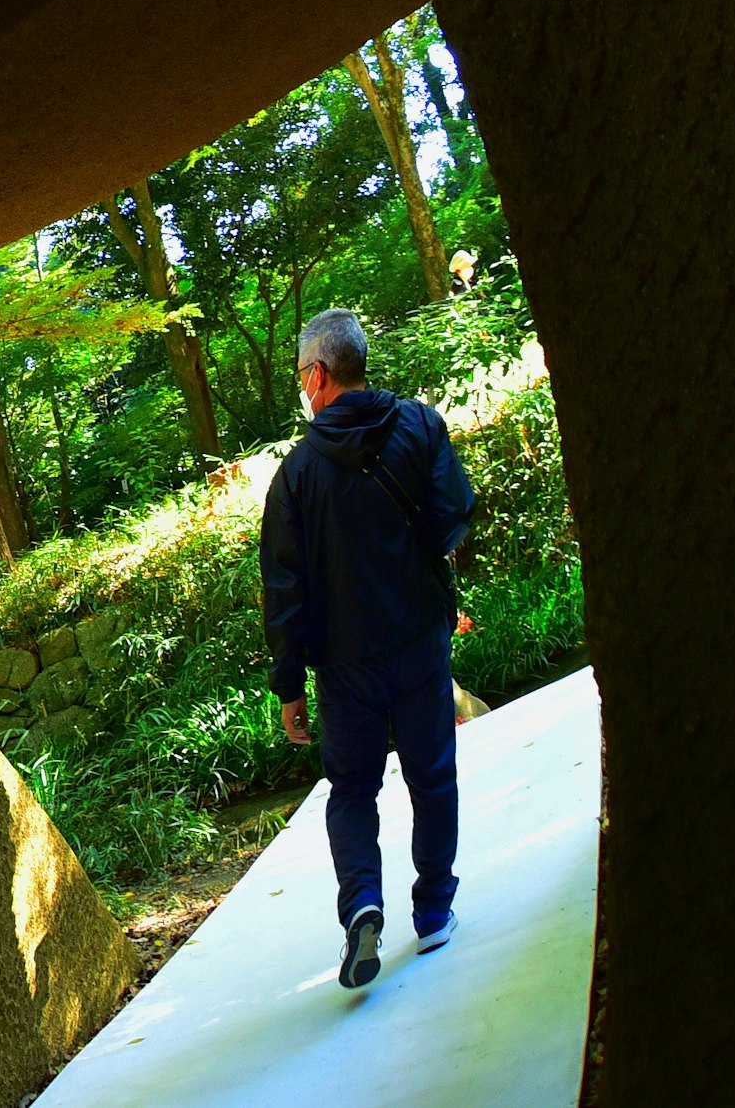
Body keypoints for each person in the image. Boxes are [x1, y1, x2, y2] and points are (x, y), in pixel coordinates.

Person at [262, 306, 477, 991]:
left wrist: (290, 684)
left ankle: (363, 903)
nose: (303, 386)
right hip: (418, 635)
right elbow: (453, 517)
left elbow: (284, 589)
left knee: (352, 787)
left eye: (302, 375)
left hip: (345, 664)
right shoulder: (419, 424)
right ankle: (435, 907)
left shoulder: (295, 475)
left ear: (318, 374)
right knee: (431, 772)